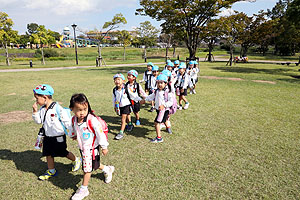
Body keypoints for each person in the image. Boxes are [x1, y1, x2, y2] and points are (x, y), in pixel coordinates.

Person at [69, 93, 114, 200]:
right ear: (72, 109)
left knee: (87, 169)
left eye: (85, 109)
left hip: (92, 148)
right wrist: (74, 135)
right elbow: (75, 128)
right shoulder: (73, 119)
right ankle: (107, 169)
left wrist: (104, 146)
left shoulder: (91, 119)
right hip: (83, 148)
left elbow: (100, 133)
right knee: (94, 165)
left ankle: (84, 189)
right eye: (79, 110)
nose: (82, 112)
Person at [32, 84, 81, 181]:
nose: (36, 101)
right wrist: (35, 112)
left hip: (58, 136)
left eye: (37, 99)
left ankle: (76, 159)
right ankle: (51, 170)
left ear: (45, 97)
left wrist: (73, 133)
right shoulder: (42, 109)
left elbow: (67, 123)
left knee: (63, 152)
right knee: (48, 153)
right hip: (47, 136)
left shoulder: (58, 108)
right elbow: (39, 121)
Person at [142, 74, 174, 143]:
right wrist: (145, 99)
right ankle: (168, 128)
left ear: (166, 83)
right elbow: (151, 97)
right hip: (158, 110)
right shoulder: (157, 91)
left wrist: (164, 105)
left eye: (161, 83)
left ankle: (159, 138)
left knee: (156, 123)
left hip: (164, 110)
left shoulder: (168, 92)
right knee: (164, 120)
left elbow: (171, 102)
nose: (159, 84)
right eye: (158, 83)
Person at [112, 73, 134, 140]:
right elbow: (114, 98)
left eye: (119, 79)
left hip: (126, 105)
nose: (117, 81)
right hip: (119, 106)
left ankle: (121, 132)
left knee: (123, 119)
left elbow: (133, 95)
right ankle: (130, 124)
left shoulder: (126, 88)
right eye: (115, 80)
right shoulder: (114, 90)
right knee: (127, 115)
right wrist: (115, 106)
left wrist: (142, 99)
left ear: (123, 81)